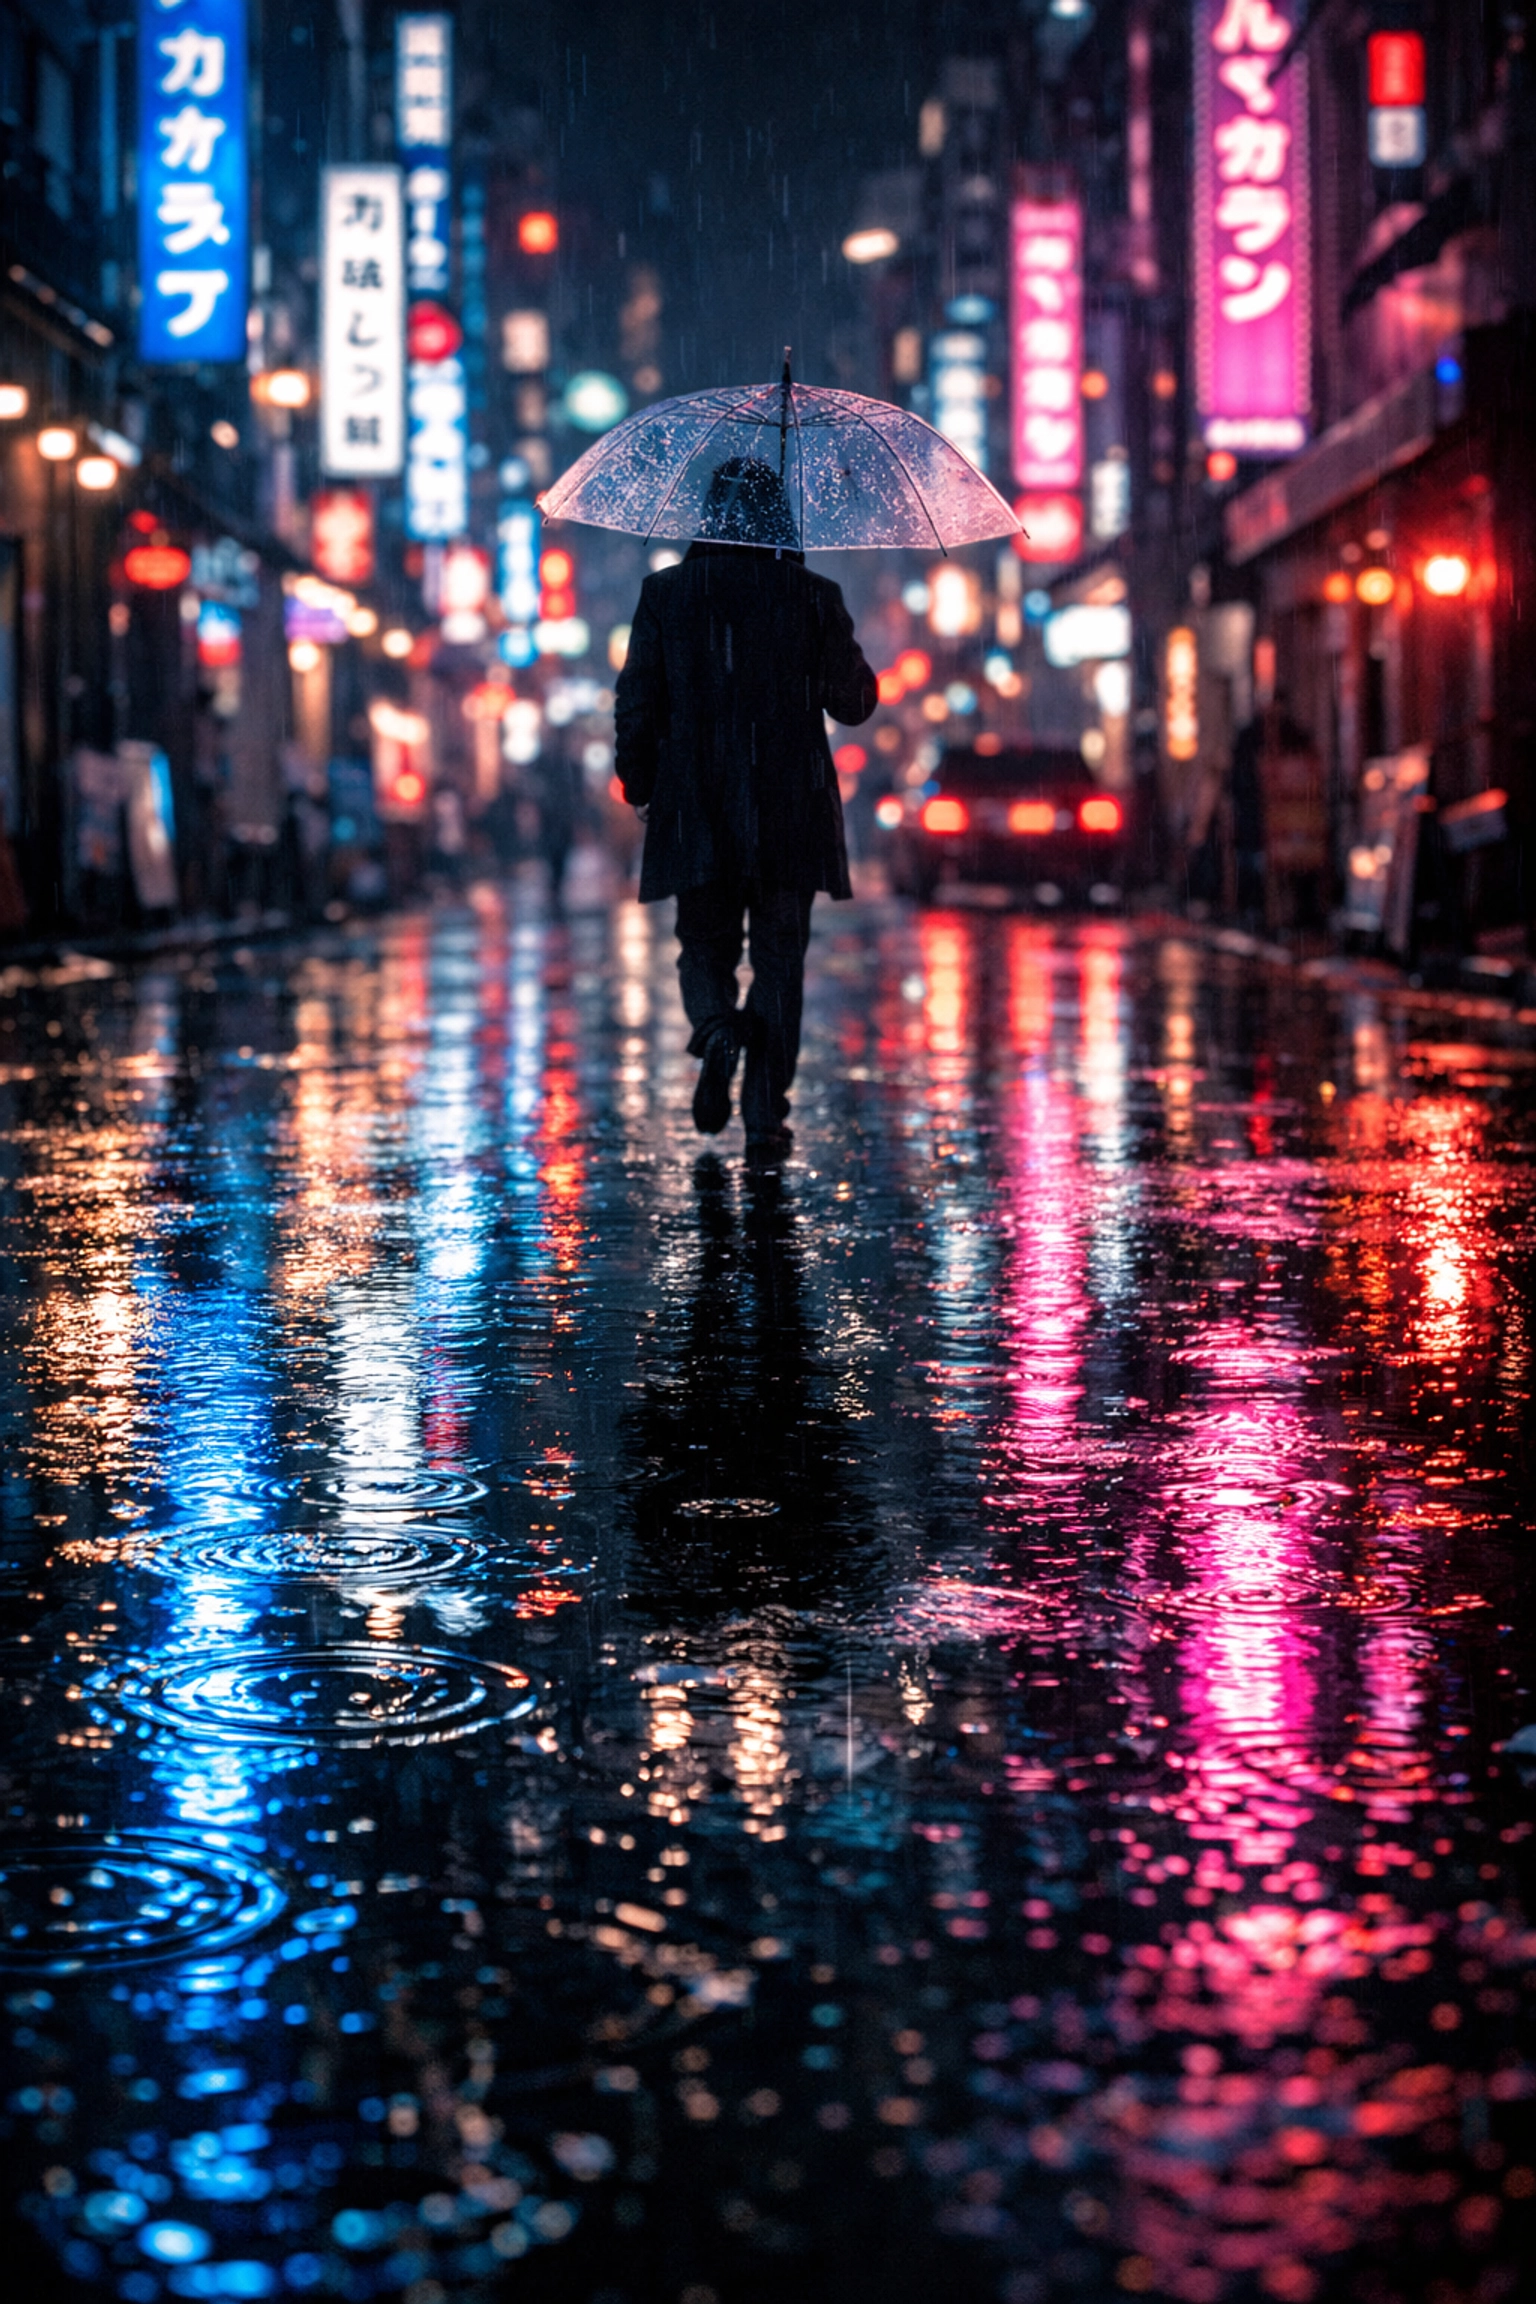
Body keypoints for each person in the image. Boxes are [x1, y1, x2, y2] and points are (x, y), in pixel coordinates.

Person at [614, 456, 877, 1155]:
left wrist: (641, 783)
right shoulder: (811, 594)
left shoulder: (667, 595)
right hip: (790, 805)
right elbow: (854, 703)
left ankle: (715, 1029)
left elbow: (637, 700)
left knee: (704, 944)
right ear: (778, 519)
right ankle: (765, 1113)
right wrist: (815, 621)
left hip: (694, 803)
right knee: (780, 962)